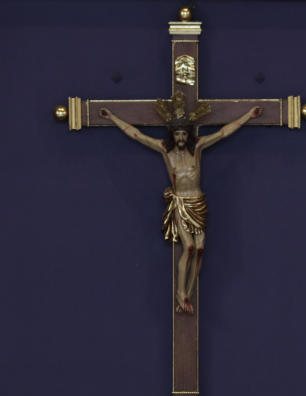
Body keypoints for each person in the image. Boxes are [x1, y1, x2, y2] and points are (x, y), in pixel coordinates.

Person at [100, 99, 262, 313]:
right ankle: (181, 293)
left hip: (197, 202)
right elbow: (136, 134)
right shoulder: (164, 150)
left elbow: (223, 133)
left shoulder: (198, 148)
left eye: (184, 134)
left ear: (188, 135)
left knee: (201, 249)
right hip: (181, 203)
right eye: (177, 134)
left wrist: (247, 117)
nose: (181, 138)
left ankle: (190, 291)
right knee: (190, 247)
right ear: (172, 135)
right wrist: (112, 118)